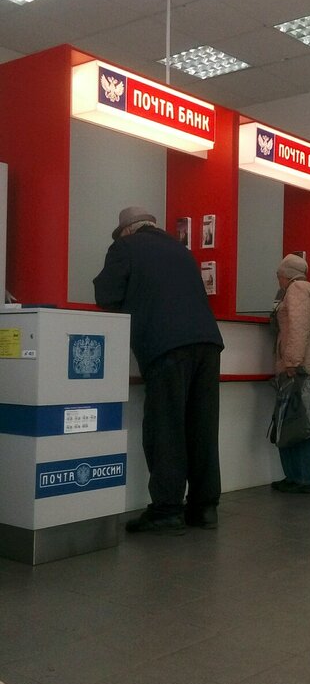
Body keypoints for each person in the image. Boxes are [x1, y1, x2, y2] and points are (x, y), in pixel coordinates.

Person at [93, 206, 224, 535]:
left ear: (127, 230)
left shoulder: (125, 247)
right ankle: (204, 507)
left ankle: (166, 510)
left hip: (167, 346)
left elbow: (106, 294)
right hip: (208, 344)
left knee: (166, 427)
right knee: (202, 428)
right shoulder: (182, 250)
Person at [271, 253, 310, 494]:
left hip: (295, 368)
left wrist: (291, 361)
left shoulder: (296, 290)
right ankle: (301, 476)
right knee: (299, 422)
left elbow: (297, 328)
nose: (278, 280)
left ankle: (302, 477)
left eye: (279, 275)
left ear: (286, 274)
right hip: (304, 365)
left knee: (294, 424)